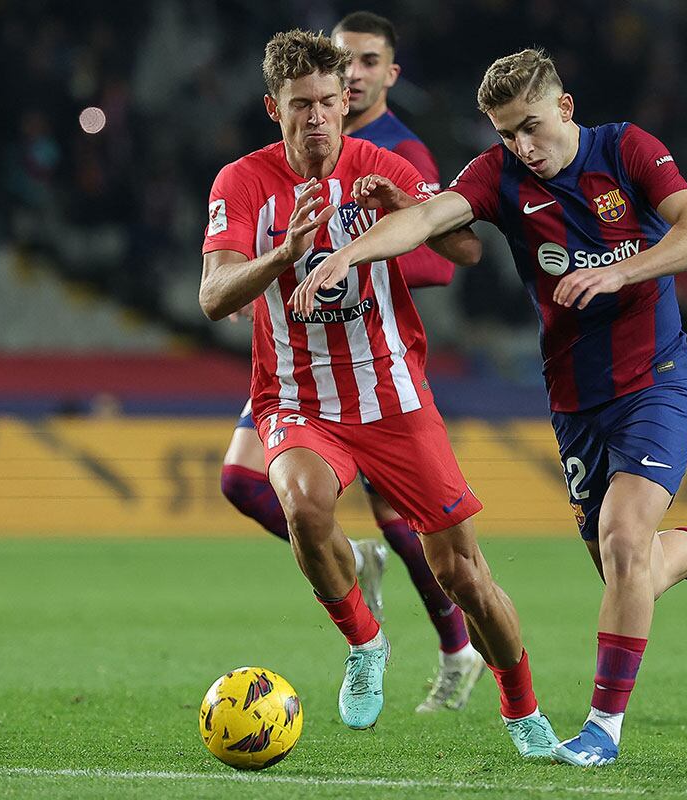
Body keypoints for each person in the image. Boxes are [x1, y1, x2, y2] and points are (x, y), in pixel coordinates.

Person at [291, 47, 687, 767]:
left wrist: (622, 269)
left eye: (530, 127)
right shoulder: (500, 175)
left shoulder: (626, 150)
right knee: (634, 570)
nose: (522, 147)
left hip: (655, 377)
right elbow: (434, 215)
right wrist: (353, 255)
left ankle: (601, 731)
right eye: (506, 134)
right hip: (573, 399)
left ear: (564, 108)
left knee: (627, 545)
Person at [199, 30, 558, 757]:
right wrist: (281, 254)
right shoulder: (241, 182)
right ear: (275, 108)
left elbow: (464, 249)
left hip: (394, 397)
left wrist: (404, 205)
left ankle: (523, 710)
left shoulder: (380, 164)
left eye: (330, 102)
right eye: (301, 105)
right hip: (299, 399)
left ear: (346, 101)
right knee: (300, 502)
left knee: (463, 573)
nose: (318, 119)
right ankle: (366, 642)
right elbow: (211, 296)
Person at [217, 11, 485, 713]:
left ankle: (456, 647)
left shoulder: (396, 153)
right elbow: (219, 284)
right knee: (246, 483)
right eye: (346, 61)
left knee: (409, 518)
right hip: (294, 362)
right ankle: (354, 564)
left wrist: (352, 265)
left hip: (375, 358)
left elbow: (445, 257)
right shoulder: (274, 162)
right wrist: (275, 270)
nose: (355, 74)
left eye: (368, 61)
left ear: (387, 75)